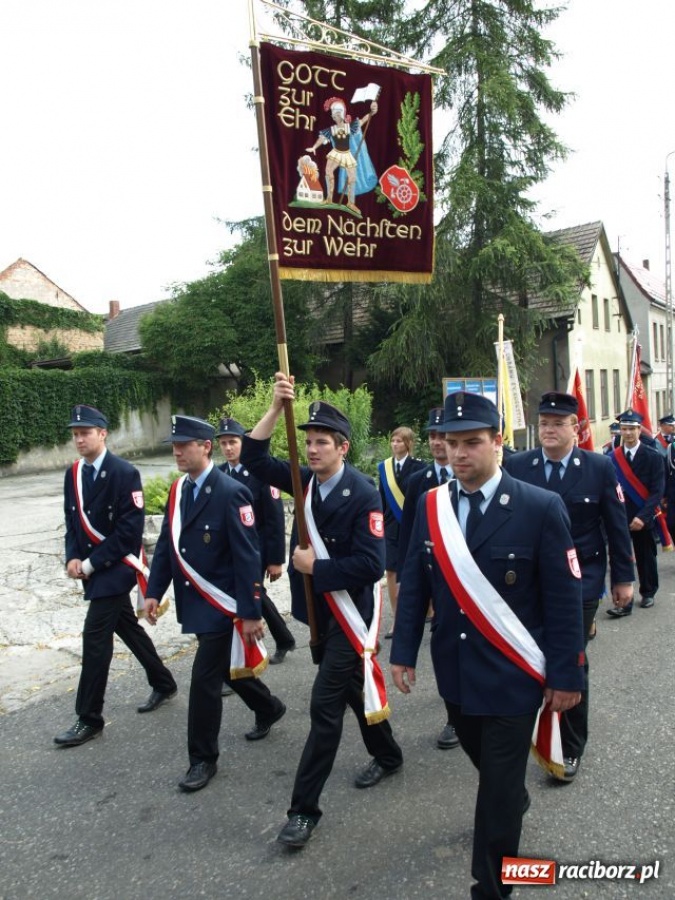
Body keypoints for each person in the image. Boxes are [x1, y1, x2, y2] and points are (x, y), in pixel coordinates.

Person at [391, 391, 584, 900]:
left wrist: (567, 677)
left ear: (498, 442)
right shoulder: (432, 506)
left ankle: (493, 888)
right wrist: (402, 651)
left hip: (513, 675)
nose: (458, 454)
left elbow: (565, 602)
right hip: (455, 673)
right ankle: (510, 800)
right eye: (450, 443)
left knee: (495, 794)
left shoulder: (540, 508)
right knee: (492, 774)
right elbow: (416, 583)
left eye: (472, 442)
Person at [241, 374, 403, 848]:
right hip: (320, 615)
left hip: (352, 617)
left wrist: (318, 565)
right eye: (308, 441)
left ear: (343, 448)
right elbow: (253, 458)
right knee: (353, 691)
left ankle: (303, 811)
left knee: (324, 706)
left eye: (321, 443)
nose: (312, 450)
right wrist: (274, 407)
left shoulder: (364, 494)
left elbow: (372, 565)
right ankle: (389, 754)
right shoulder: (301, 481)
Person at [144, 415, 286, 793]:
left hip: (222, 605)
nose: (177, 451)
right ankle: (268, 706)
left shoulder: (229, 492)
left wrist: (251, 611)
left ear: (204, 447)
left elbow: (246, 555)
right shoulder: (179, 490)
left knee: (204, 680)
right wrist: (154, 591)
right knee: (223, 670)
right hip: (197, 601)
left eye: (184, 444)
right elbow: (167, 550)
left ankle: (202, 758)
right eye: (174, 445)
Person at [504, 391, 634, 782]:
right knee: (532, 656)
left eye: (558, 423)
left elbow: (615, 525)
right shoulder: (518, 466)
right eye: (543, 423)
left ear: (575, 428)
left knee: (570, 656)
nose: (548, 430)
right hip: (530, 580)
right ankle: (533, 733)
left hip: (582, 579)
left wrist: (623, 578)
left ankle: (571, 747)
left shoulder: (597, 467)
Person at [55, 405, 177, 748]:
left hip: (117, 567)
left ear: (102, 433)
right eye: (75, 434)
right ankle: (164, 682)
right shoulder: (73, 474)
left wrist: (90, 564)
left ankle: (89, 718)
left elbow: (128, 533)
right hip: (92, 568)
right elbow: (72, 523)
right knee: (126, 627)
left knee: (95, 640)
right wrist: (73, 556)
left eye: (86, 433)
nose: (79, 439)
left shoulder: (124, 472)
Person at [396, 407, 459, 751]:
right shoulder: (418, 481)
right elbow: (409, 535)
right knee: (445, 648)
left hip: (473, 578)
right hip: (437, 580)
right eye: (433, 436)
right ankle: (454, 717)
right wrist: (409, 579)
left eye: (442, 436)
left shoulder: (471, 475)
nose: (437, 443)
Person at [216, 417, 295, 666]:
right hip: (228, 550)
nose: (228, 448)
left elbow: (274, 519)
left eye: (234, 442)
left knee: (246, 594)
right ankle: (283, 638)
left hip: (256, 550)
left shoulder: (261, 474)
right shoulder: (218, 474)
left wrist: (275, 560)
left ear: (244, 443)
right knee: (255, 594)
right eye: (224, 443)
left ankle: (240, 659)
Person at [607, 409, 666, 615]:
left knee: (645, 555)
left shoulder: (653, 456)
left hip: (643, 516)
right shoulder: (611, 458)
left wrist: (643, 516)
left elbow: (658, 490)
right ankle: (623, 602)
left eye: (632, 429)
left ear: (639, 430)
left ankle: (648, 592)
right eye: (624, 429)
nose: (628, 433)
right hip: (619, 516)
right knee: (620, 558)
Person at [378, 426, 425, 638]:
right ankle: (397, 617)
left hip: (413, 524)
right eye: (393, 440)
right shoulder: (384, 468)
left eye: (400, 441)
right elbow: (380, 500)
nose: (395, 444)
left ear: (408, 444)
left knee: (418, 568)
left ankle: (428, 606)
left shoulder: (419, 467)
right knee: (391, 571)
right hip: (390, 527)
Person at [305, 96, 378, 213]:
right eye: (335, 113)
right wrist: (314, 147)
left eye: (339, 112)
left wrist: (371, 112)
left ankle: (350, 202)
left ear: (343, 113)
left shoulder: (351, 127)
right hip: (336, 153)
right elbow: (322, 138)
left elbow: (363, 120)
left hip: (347, 153)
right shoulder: (332, 129)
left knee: (352, 177)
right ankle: (329, 198)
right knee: (328, 171)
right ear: (333, 116)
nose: (337, 115)